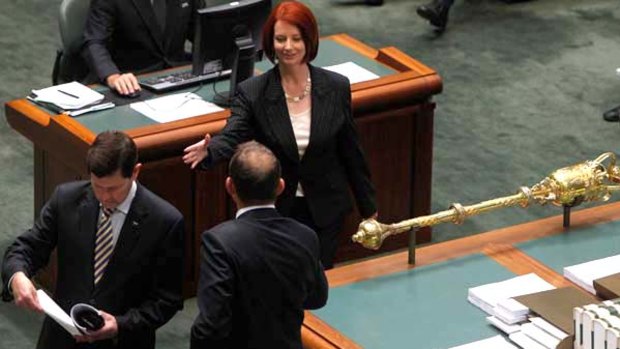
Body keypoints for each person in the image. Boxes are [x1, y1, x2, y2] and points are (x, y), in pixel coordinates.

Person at [183, 0, 377, 269]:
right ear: (269, 42)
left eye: (296, 39)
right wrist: (211, 149)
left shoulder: (335, 87)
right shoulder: (254, 92)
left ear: (309, 40)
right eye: (280, 39)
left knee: (318, 285)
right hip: (278, 211)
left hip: (325, 209)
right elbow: (234, 132)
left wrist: (369, 209)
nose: (288, 47)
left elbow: (351, 151)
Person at [1, 131, 185, 349]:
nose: (105, 197)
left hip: (122, 343)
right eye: (98, 186)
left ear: (135, 172)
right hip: (62, 340)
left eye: (113, 188)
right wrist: (18, 276)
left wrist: (119, 324)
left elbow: (167, 300)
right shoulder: (66, 199)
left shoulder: (164, 221)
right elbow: (25, 249)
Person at [190, 141, 328, 348]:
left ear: (230, 186)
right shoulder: (305, 236)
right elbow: (317, 298)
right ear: (280, 186)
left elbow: (212, 324)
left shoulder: (219, 242)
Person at [82, 0, 202, 96]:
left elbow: (202, 31)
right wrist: (113, 77)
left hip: (180, 76)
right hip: (134, 79)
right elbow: (95, 42)